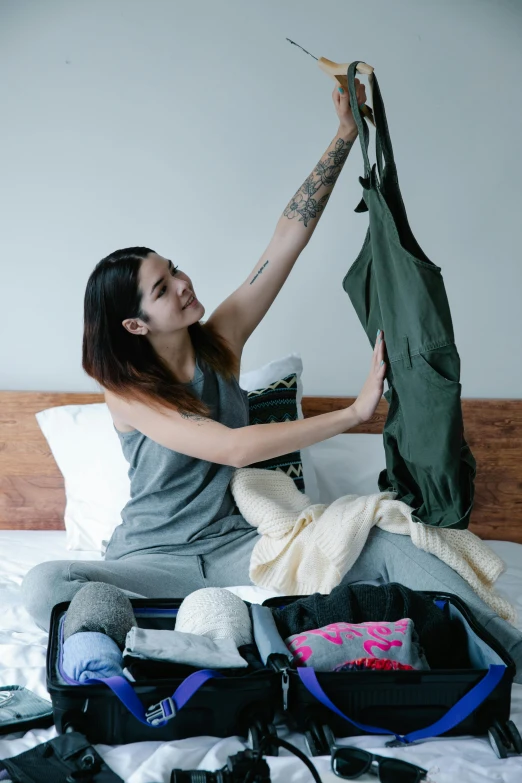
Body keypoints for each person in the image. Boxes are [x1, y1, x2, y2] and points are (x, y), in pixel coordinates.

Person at [21, 81, 522, 681]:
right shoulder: (127, 392)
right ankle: (143, 649)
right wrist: (353, 413)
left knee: (393, 545)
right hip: (154, 559)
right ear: (134, 324)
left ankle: (510, 650)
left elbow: (288, 237)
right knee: (45, 581)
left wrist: (343, 137)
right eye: (162, 288)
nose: (182, 283)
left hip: (242, 549)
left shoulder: (221, 340)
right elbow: (230, 446)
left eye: (173, 269)